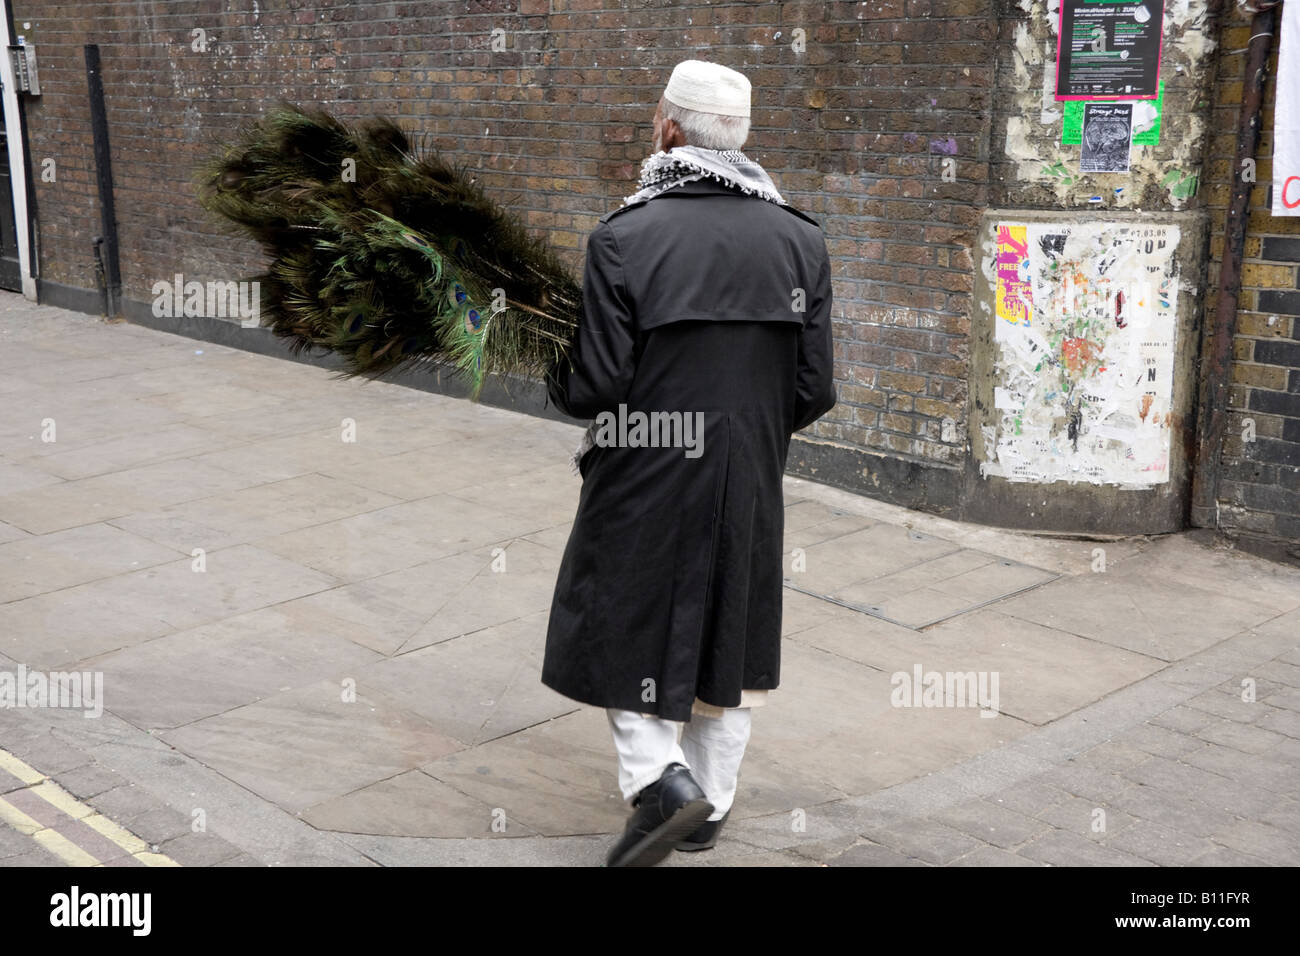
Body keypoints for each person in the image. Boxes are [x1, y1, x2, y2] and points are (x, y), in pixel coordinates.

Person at [542, 59, 837, 867]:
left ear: (668, 129)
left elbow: (596, 382)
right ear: (739, 138)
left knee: (622, 620)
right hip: (750, 472)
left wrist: (556, 373)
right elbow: (815, 387)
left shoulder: (626, 237)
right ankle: (709, 810)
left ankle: (662, 782)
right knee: (730, 632)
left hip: (644, 467)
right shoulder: (801, 240)